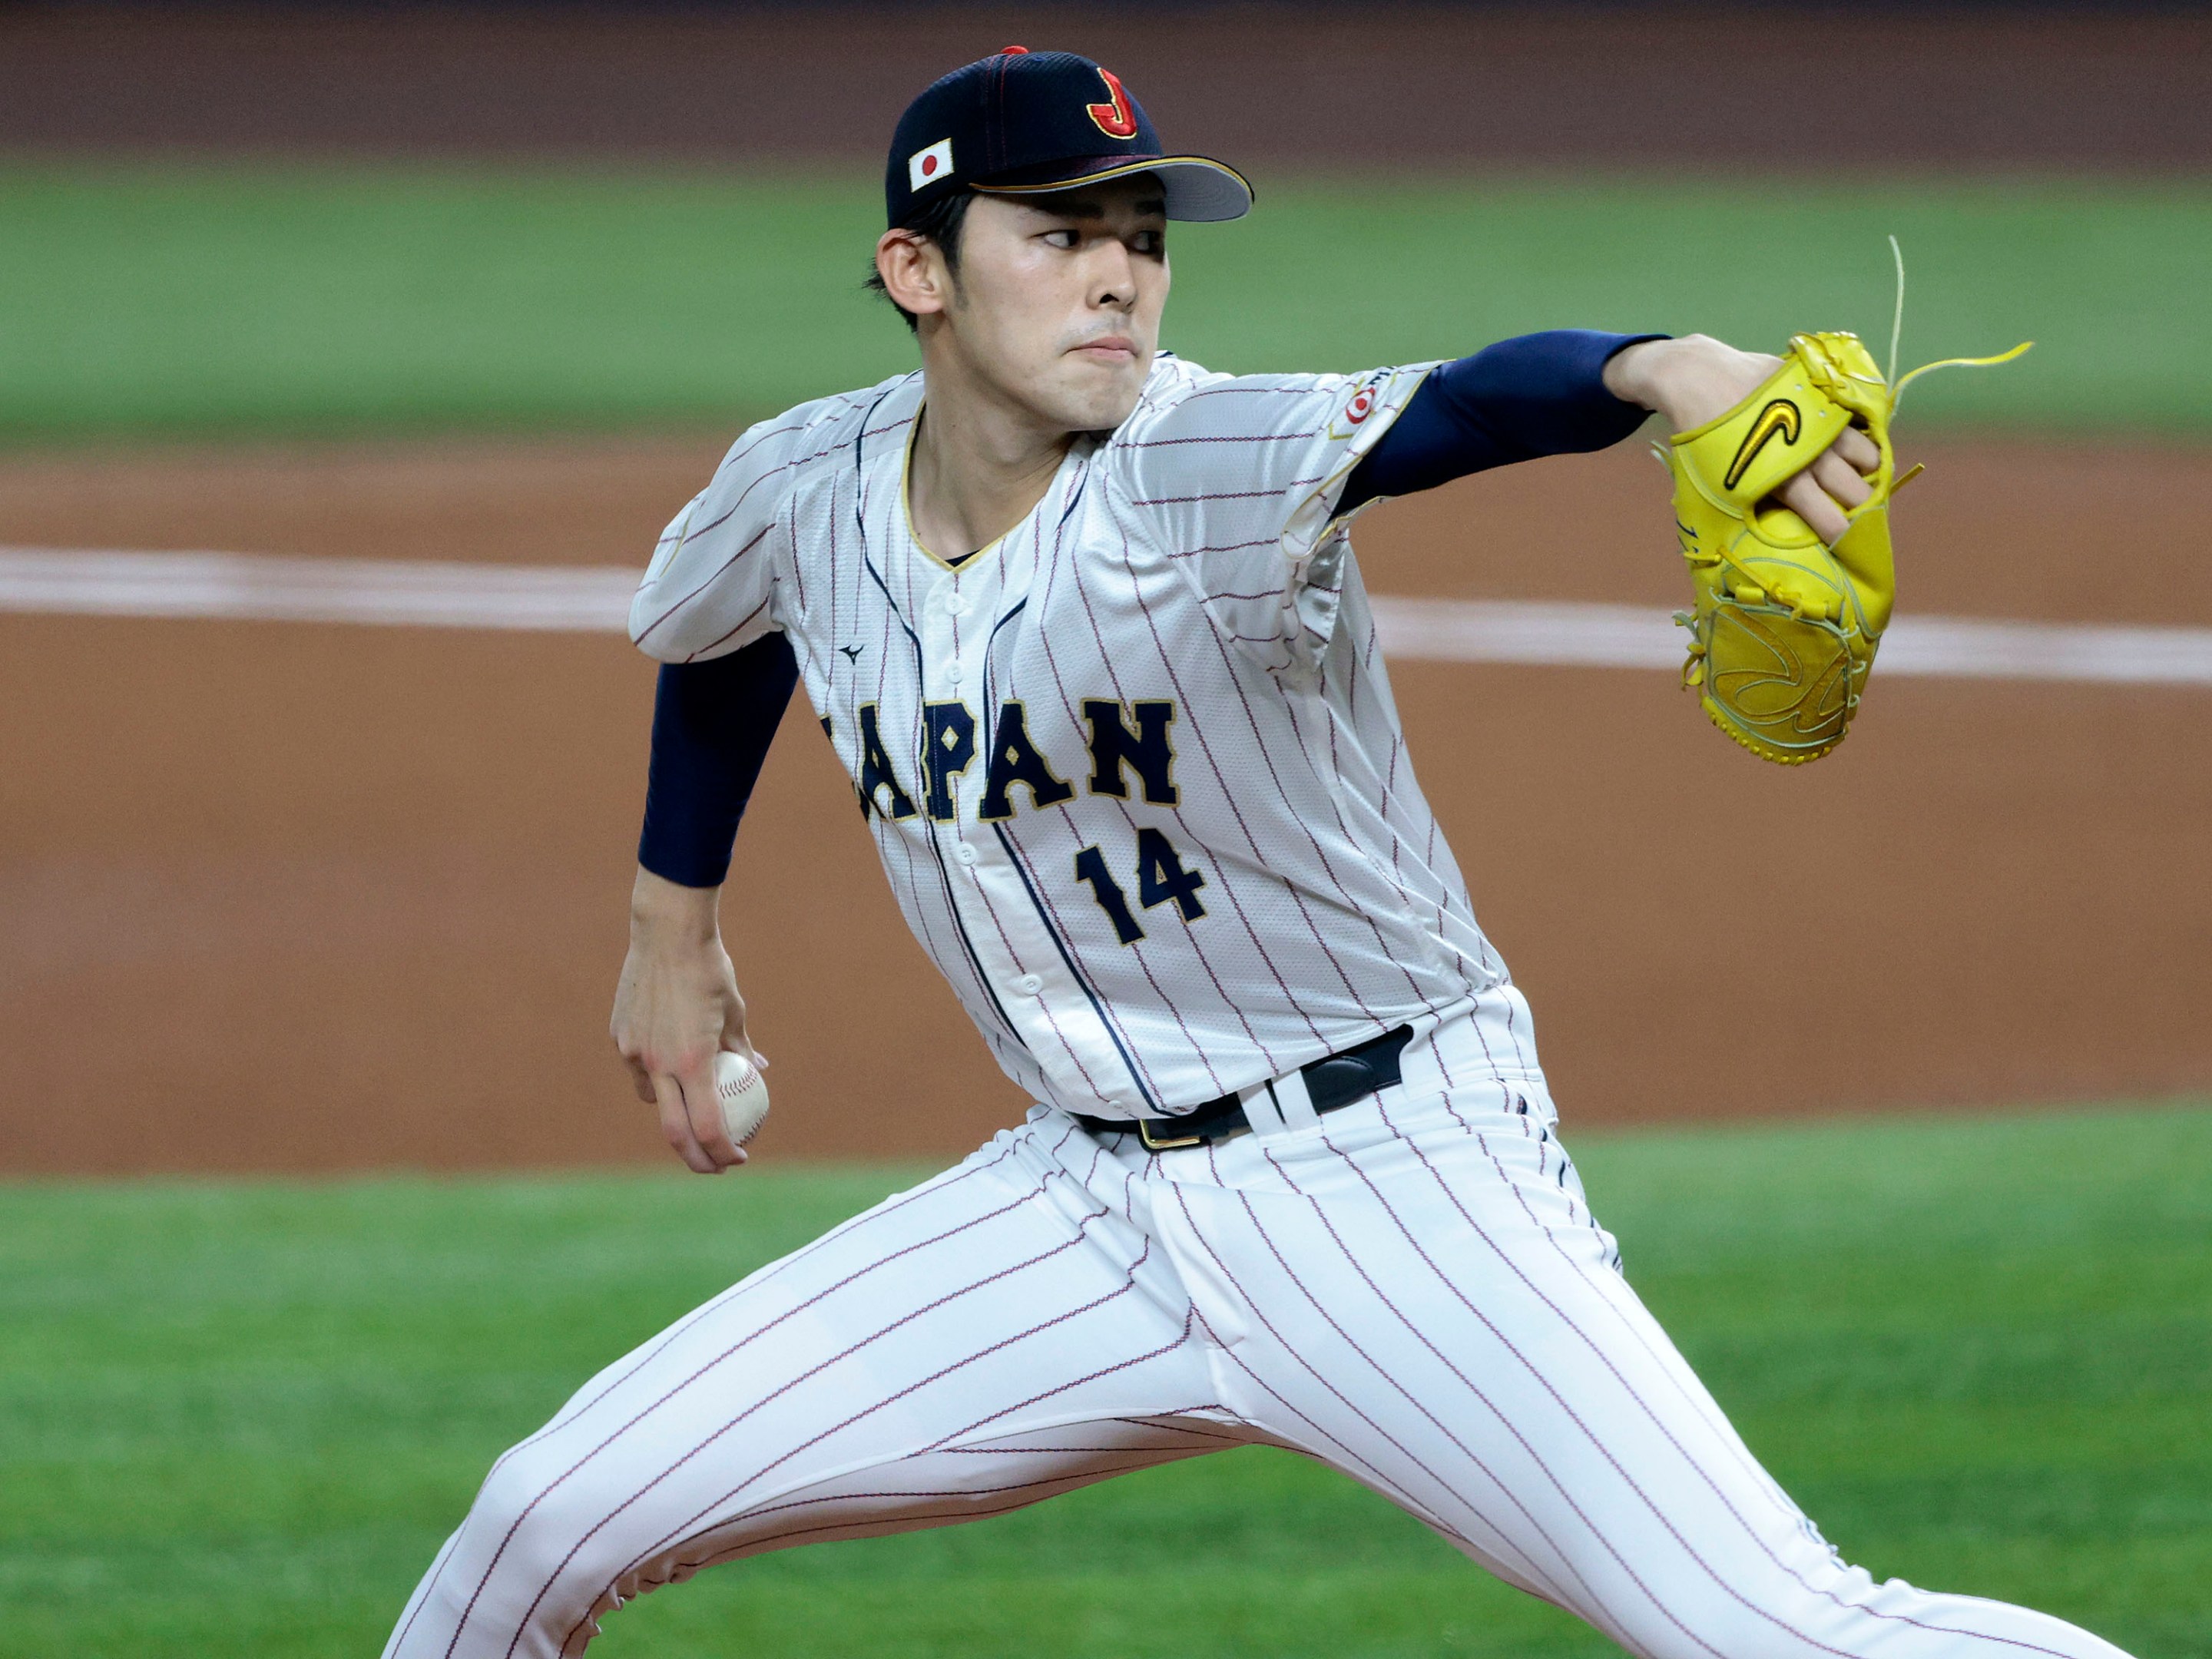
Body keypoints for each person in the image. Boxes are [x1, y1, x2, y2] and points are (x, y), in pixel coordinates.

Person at [382, 47, 2131, 1659]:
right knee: (543, 1516)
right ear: (918, 269)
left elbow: (1458, 410)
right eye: (1060, 232)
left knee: (1786, 1634)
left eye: (1139, 236)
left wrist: (1658, 370)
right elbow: (723, 630)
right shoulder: (804, 483)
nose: (1118, 273)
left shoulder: (1197, 458)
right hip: (1083, 1207)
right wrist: (667, 926)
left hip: (1393, 1180)